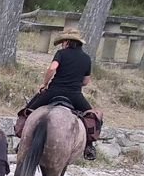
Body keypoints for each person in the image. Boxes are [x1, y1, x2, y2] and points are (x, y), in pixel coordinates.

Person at [16, 19, 99, 159]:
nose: (62, 45)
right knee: (92, 117)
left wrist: (45, 83)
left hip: (54, 91)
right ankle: (89, 146)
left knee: (27, 111)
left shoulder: (61, 54)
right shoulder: (86, 58)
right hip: (75, 95)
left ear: (66, 42)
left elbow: (52, 68)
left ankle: (22, 141)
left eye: (62, 42)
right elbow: (86, 82)